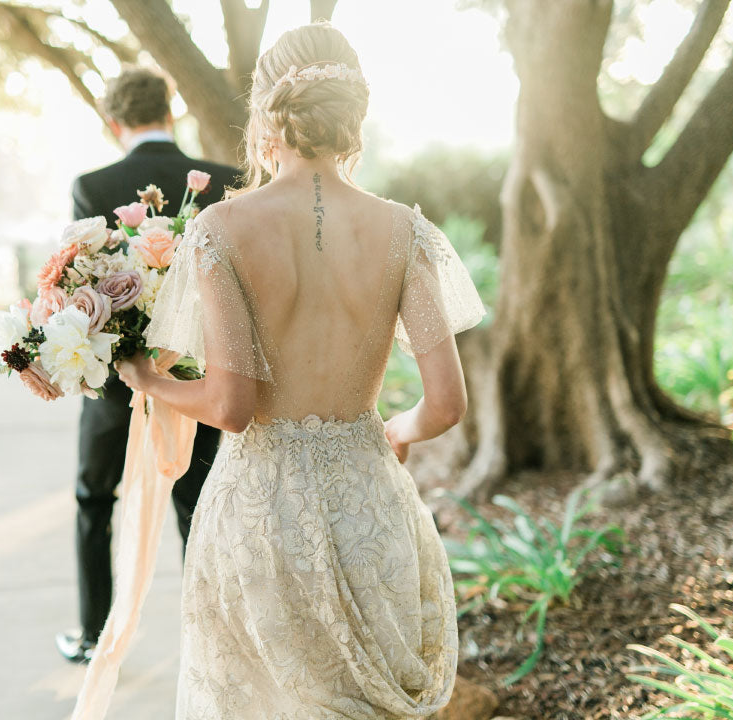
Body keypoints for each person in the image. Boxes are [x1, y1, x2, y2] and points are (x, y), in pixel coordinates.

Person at [116, 23, 484, 719]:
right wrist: (391, 434)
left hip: (261, 512)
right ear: (354, 111)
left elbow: (231, 405)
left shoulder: (222, 229)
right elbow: (446, 404)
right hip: (368, 503)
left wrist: (151, 381)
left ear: (265, 112)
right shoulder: (403, 232)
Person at [57, 67, 241, 665]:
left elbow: (81, 281)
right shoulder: (225, 180)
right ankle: (210, 643)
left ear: (115, 123)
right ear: (172, 111)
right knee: (199, 502)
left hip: (115, 379)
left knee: (94, 498)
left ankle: (93, 637)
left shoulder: (92, 184)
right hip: (199, 376)